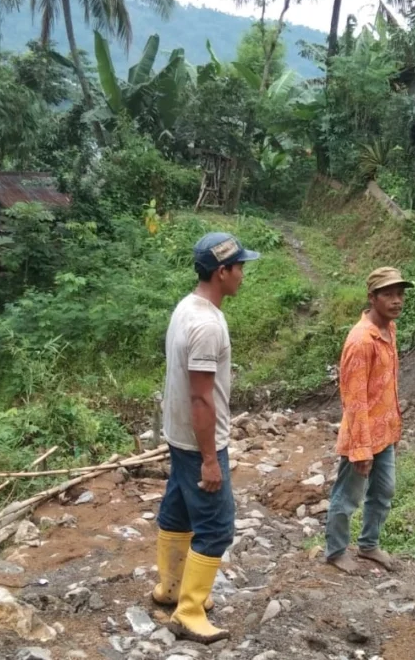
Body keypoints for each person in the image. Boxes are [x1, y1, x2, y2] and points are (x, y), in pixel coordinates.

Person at [152, 232, 259, 643]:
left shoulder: (187, 307)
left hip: (179, 436)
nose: (243, 274)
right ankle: (189, 612)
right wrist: (211, 458)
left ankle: (170, 588)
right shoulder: (206, 325)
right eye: (240, 267)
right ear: (222, 271)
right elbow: (200, 396)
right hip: (199, 442)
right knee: (216, 528)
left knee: (177, 511)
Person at [325, 267, 412, 574]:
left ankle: (369, 544)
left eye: (400, 294)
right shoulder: (361, 340)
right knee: (348, 496)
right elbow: (354, 398)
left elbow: (386, 386)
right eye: (388, 294)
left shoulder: (389, 330)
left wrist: (394, 426)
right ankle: (336, 551)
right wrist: (361, 448)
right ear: (372, 297)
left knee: (384, 491)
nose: (397, 300)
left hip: (384, 431)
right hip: (362, 436)